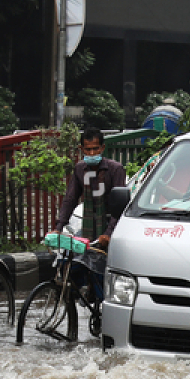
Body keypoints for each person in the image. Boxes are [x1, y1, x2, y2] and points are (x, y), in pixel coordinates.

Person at [54, 128, 128, 300]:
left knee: (102, 277)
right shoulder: (80, 169)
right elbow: (70, 198)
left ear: (102, 148)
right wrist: (59, 227)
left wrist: (108, 234)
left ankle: (104, 309)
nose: (92, 153)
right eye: (88, 149)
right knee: (68, 264)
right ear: (82, 150)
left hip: (111, 227)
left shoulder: (114, 169)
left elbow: (120, 206)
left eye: (95, 149)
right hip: (88, 227)